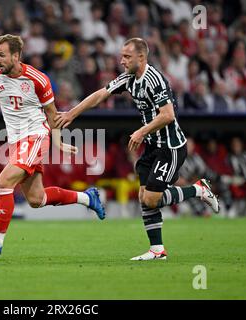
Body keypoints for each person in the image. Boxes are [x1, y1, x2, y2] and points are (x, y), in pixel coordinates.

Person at [55, 38, 220, 261]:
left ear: (141, 57)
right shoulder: (129, 78)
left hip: (170, 147)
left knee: (152, 198)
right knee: (144, 197)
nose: (122, 61)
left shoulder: (155, 80)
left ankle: (199, 190)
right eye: (122, 56)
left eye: (127, 57)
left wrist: (141, 131)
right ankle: (157, 250)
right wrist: (71, 114)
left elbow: (168, 115)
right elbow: (100, 94)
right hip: (152, 146)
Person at [0, 34, 105, 261]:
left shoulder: (38, 79)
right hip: (16, 142)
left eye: (2, 55)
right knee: (36, 199)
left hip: (36, 136)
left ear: (16, 55)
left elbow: (52, 115)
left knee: (3, 182)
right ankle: (88, 199)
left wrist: (58, 141)